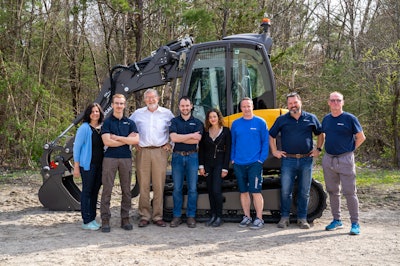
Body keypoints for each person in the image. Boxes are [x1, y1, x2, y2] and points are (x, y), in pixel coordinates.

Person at [269, 92, 324, 229]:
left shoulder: (311, 118)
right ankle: (284, 218)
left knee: (304, 191)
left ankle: (302, 218)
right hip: (288, 160)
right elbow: (271, 136)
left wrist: (318, 149)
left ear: (300, 102)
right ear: (287, 105)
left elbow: (321, 133)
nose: (293, 105)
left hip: (306, 160)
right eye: (290, 103)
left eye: (295, 102)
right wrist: (275, 151)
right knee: (286, 191)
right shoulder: (282, 119)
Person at [322, 91, 366, 235]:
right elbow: (323, 135)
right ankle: (337, 220)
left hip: (345, 159)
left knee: (349, 192)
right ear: (328, 102)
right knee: (333, 191)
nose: (335, 103)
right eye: (333, 100)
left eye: (338, 100)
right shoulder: (326, 119)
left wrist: (350, 150)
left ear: (343, 102)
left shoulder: (349, 118)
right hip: (329, 159)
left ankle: (355, 223)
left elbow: (361, 137)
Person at [129, 89, 174, 228]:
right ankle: (144, 215)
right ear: (144, 100)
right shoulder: (138, 114)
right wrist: (133, 142)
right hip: (143, 151)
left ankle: (158, 216)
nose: (151, 100)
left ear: (158, 98)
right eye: (148, 98)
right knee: (143, 185)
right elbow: (127, 128)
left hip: (160, 151)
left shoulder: (167, 114)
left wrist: (170, 144)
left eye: (153, 97)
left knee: (159, 185)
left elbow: (176, 129)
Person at [100, 94, 140, 233]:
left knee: (126, 190)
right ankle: (105, 219)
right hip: (110, 159)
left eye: (121, 103)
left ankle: (125, 218)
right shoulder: (107, 122)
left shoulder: (130, 123)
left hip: (126, 159)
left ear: (124, 105)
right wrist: (125, 139)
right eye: (116, 103)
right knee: (107, 190)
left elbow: (135, 141)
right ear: (112, 105)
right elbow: (106, 141)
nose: (119, 106)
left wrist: (116, 138)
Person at [231, 97, 269, 230]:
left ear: (253, 107)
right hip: (239, 163)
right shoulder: (236, 124)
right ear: (240, 108)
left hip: (254, 163)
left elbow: (265, 142)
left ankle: (259, 218)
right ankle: (246, 216)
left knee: (256, 191)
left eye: (248, 106)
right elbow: (233, 143)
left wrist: (261, 160)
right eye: (244, 107)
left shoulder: (260, 122)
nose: (246, 109)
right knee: (243, 191)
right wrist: (233, 158)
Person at [169, 96, 204, 228]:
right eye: (182, 106)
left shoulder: (197, 122)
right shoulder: (174, 121)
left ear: (191, 106)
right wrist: (190, 135)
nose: (185, 108)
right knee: (177, 188)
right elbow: (173, 138)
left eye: (187, 106)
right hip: (177, 157)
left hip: (192, 157)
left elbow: (196, 141)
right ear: (179, 107)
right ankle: (176, 216)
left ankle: (191, 216)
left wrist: (181, 138)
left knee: (192, 188)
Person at [73, 103, 105, 231]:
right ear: (88, 114)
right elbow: (77, 148)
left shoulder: (102, 128)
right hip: (88, 165)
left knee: (95, 191)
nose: (95, 113)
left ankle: (92, 218)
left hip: (100, 165)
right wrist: (76, 166)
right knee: (87, 191)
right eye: (92, 111)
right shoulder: (84, 128)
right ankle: (86, 220)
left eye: (97, 111)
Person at [198, 108, 231, 227]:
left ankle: (219, 216)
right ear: (208, 119)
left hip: (219, 164)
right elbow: (201, 150)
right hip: (207, 164)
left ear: (218, 118)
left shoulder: (226, 131)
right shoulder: (205, 132)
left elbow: (228, 151)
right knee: (210, 191)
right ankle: (212, 215)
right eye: (210, 117)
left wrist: (225, 168)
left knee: (217, 190)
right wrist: (201, 166)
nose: (212, 119)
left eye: (214, 116)